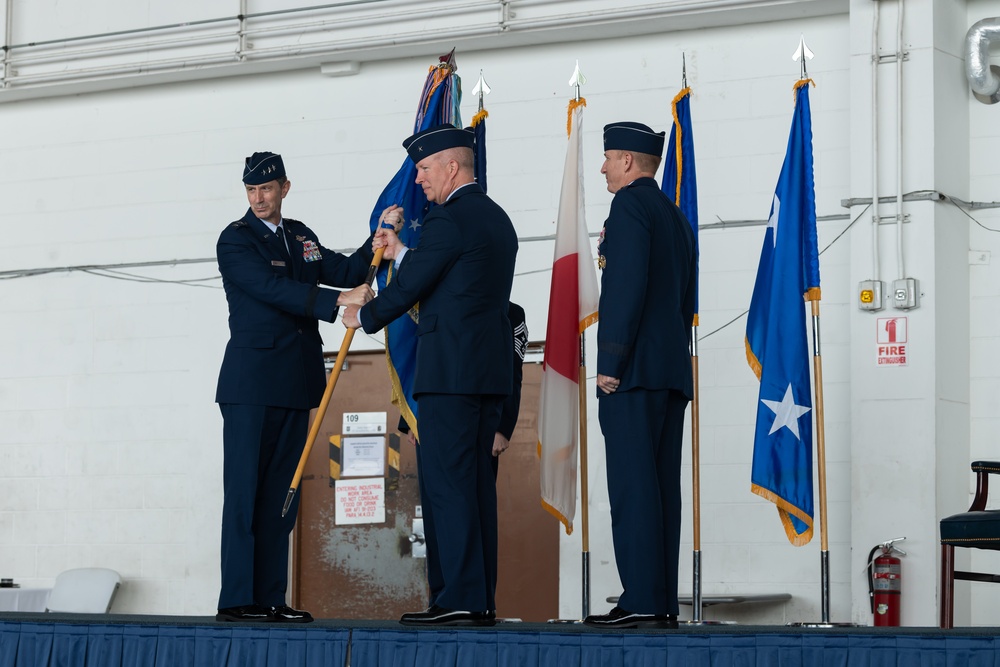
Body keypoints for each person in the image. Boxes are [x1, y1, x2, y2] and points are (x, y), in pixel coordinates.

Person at [342, 124, 518, 627]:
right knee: (477, 490)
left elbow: (415, 286)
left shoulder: (448, 219)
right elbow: (449, 274)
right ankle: (477, 597)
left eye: (422, 169)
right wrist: (399, 252)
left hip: (450, 376)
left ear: (451, 167)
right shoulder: (495, 219)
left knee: (448, 487)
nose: (417, 180)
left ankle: (456, 598)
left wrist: (365, 315)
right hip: (487, 375)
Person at [215, 151, 394, 623]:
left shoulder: (301, 237)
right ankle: (237, 599)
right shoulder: (235, 242)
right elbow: (272, 290)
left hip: (295, 384)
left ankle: (271, 597)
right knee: (244, 494)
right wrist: (338, 303)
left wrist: (373, 242)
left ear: (284, 189)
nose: (258, 199)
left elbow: (348, 271)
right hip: (251, 386)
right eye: (251, 191)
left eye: (267, 189)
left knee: (282, 496)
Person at [582, 122, 696, 630]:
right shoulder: (674, 216)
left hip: (633, 372)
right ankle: (661, 601)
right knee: (661, 489)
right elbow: (686, 300)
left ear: (628, 161)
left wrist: (611, 362)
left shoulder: (628, 207)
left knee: (632, 488)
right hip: (669, 370)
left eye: (608, 158)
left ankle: (642, 600)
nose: (603, 167)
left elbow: (622, 289)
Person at [398, 301, 527, 608]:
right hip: (431, 419)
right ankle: (441, 599)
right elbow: (419, 363)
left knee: (472, 512)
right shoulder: (431, 307)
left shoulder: (509, 313)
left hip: (480, 425)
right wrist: (412, 418)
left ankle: (476, 601)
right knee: (436, 516)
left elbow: (513, 370)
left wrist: (502, 427)